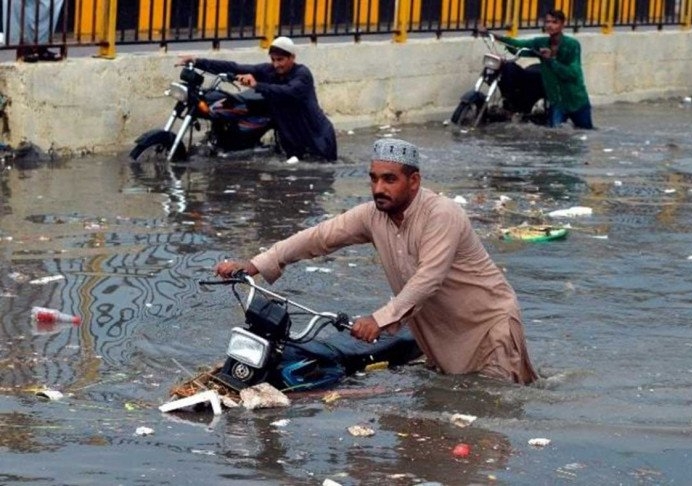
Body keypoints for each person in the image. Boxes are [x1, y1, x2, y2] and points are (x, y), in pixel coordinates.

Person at [214, 138, 538, 385]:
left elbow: (429, 278)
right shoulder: (374, 215)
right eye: (373, 179)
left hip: (487, 328)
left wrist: (379, 319)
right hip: (440, 335)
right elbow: (321, 236)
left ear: (414, 181)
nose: (378, 188)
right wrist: (258, 263)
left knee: (493, 414)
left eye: (389, 179)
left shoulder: (442, 214)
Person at [177, 37, 337, 161]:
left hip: (316, 139)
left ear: (292, 58)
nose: (276, 65)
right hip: (291, 140)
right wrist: (197, 62)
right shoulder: (269, 71)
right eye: (273, 59)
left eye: (280, 60)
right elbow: (235, 66)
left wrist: (256, 85)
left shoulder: (302, 74)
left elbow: (288, 91)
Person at [484, 9, 593, 129]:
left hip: (576, 101)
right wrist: (495, 36)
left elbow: (573, 74)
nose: (550, 25)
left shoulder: (572, 45)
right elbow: (518, 45)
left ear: (562, 24)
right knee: (554, 137)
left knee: (585, 132)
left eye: (554, 22)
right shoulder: (541, 43)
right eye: (547, 22)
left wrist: (551, 60)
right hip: (557, 103)